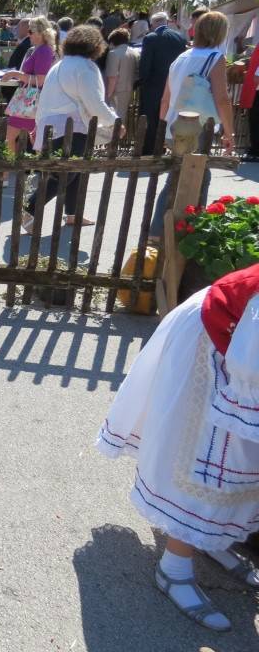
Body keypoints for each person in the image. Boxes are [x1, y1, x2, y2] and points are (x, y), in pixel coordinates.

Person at [97, 263, 259, 632]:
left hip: (241, 342)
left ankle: (210, 535)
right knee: (210, 459)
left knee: (242, 464)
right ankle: (174, 567)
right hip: (221, 344)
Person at [23, 25, 118, 232]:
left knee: (75, 171)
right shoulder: (86, 67)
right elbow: (95, 102)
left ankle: (73, 214)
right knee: (68, 172)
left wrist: (38, 126)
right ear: (95, 46)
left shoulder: (59, 65)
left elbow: (45, 99)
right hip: (72, 126)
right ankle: (29, 208)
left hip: (53, 124)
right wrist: (114, 121)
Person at [149, 11, 235, 239]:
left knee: (177, 178)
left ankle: (160, 233)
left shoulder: (181, 58)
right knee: (197, 179)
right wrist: (229, 131)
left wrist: (164, 127)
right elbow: (222, 99)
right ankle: (184, 234)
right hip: (197, 129)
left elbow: (165, 99)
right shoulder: (215, 57)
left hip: (174, 127)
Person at [1, 16, 56, 179]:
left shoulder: (44, 50)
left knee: (30, 139)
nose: (28, 34)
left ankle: (46, 175)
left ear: (41, 33)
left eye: (31, 31)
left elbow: (41, 80)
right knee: (28, 139)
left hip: (31, 102)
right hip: (28, 102)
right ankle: (45, 175)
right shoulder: (37, 49)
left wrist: (15, 74)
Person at [139, 11, 188, 155]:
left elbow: (145, 64)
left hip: (154, 85)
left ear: (153, 24)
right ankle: (167, 145)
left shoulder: (150, 38)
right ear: (167, 22)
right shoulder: (180, 38)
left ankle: (150, 148)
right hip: (174, 84)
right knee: (170, 116)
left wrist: (143, 81)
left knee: (151, 117)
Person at [104, 28, 140, 121]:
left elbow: (112, 77)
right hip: (130, 89)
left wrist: (108, 95)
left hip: (116, 91)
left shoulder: (113, 53)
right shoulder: (134, 53)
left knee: (115, 118)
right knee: (123, 117)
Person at [2, 18, 31, 105]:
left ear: (26, 28)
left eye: (18, 27)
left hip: (17, 89)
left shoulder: (26, 45)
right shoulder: (25, 43)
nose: (16, 30)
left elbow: (19, 67)